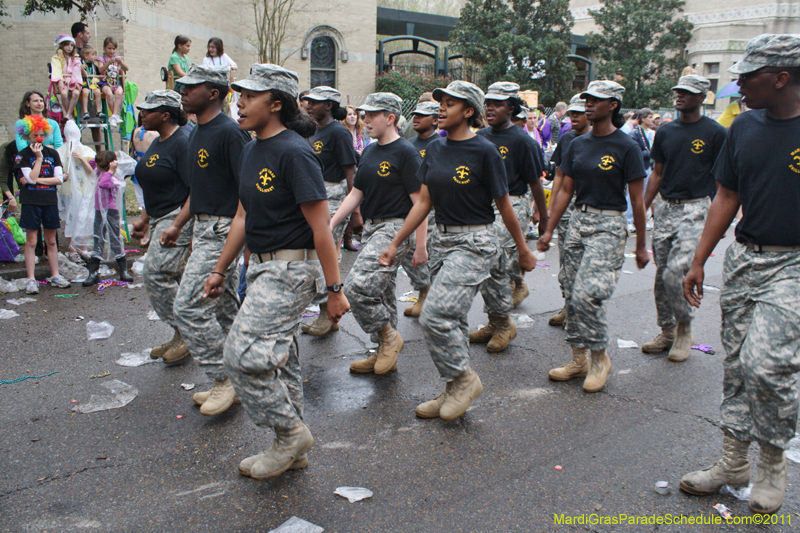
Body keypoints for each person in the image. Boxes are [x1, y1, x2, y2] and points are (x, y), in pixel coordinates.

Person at [202, 63, 349, 479]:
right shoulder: (251, 149)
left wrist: (335, 289)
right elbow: (242, 217)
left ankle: (289, 434)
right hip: (263, 268)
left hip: (292, 268)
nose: (240, 103)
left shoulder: (295, 151)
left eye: (250, 96)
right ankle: (292, 449)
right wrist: (220, 269)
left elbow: (322, 229)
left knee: (241, 355)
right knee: (279, 359)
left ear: (276, 103)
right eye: (240, 94)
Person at [680, 34, 800, 515]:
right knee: (736, 365)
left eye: (747, 76)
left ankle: (771, 464)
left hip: (795, 264)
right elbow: (726, 198)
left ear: (781, 78)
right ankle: (733, 462)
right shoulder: (745, 128)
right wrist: (699, 259)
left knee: (766, 364)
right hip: (747, 259)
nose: (739, 85)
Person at [378, 80, 537, 421]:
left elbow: (505, 206)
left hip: (475, 243)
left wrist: (523, 249)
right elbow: (423, 202)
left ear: (468, 112)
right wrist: (397, 243)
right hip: (442, 240)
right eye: (441, 102)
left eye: (450, 103)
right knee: (454, 319)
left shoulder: (485, 152)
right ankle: (452, 385)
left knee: (435, 315)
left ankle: (465, 380)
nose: (441, 108)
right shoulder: (435, 148)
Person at [537, 80, 648, 392]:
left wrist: (640, 245)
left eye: (596, 100)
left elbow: (637, 200)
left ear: (612, 105)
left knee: (589, 294)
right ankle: (578, 358)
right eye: (587, 98)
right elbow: (566, 190)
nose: (588, 104)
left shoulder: (626, 147)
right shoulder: (576, 143)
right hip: (578, 222)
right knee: (570, 291)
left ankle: (600, 357)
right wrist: (548, 230)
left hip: (609, 225)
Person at [171, 64, 251, 416]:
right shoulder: (195, 133)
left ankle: (224, 379)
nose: (183, 91)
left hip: (223, 231)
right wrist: (179, 227)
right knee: (225, 310)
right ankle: (246, 375)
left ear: (214, 93)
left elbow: (246, 194)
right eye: (182, 86)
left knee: (188, 307)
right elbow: (199, 190)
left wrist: (239, 243)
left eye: (192, 86)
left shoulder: (230, 133)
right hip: (204, 229)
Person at [329, 92, 425, 374]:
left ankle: (388, 338)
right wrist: (332, 223)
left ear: (390, 118)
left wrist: (421, 245)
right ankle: (384, 349)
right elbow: (356, 192)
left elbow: (420, 203)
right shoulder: (370, 150)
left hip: (396, 227)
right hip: (372, 227)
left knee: (358, 288)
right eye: (364, 115)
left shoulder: (406, 152)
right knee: (382, 291)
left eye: (372, 115)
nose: (365, 119)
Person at [640, 75, 726, 360]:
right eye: (678, 92)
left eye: (687, 93)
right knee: (662, 275)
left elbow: (721, 181)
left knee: (677, 271)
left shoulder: (716, 133)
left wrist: (719, 219)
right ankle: (667, 331)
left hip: (696, 208)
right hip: (665, 208)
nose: (680, 97)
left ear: (702, 98)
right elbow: (657, 172)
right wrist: (643, 207)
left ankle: (684, 328)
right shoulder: (665, 131)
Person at [468, 82, 548, 353]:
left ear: (511, 109)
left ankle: (503, 323)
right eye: (487, 103)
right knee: (485, 264)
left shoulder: (522, 140)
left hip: (512, 204)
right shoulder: (480, 137)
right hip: (483, 204)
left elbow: (535, 182)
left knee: (495, 262)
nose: (490, 108)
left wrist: (542, 215)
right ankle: (495, 320)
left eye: (497, 104)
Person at [130, 90, 194, 365]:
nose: (142, 114)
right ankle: (181, 334)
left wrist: (179, 225)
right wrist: (144, 219)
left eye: (148, 110)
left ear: (165, 114)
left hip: (176, 217)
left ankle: (187, 334)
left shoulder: (183, 142)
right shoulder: (159, 141)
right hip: (157, 218)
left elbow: (196, 189)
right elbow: (157, 185)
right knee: (173, 279)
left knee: (156, 274)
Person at [300, 86, 357, 337]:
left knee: (324, 258)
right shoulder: (311, 131)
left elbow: (350, 171)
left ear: (330, 106)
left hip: (334, 198)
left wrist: (354, 211)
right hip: (313, 196)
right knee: (313, 256)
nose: (309, 105)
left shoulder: (339, 133)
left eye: (315, 102)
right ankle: (326, 310)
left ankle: (328, 314)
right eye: (308, 101)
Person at [13, 115, 72, 294]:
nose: (38, 139)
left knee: (52, 240)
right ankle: (31, 279)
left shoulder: (53, 154)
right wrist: (38, 159)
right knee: (31, 241)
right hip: (31, 202)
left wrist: (35, 179)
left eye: (41, 135)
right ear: (27, 136)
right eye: (33, 135)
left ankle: (55, 275)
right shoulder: (21, 156)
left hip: (49, 202)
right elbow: (29, 179)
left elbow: (59, 179)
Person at [547, 94, 591, 328]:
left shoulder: (602, 140)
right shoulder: (567, 140)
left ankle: (582, 310)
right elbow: (560, 176)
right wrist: (551, 207)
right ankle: (568, 305)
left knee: (586, 262)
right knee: (567, 259)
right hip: (567, 204)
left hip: (589, 205)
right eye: (571, 113)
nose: (573, 117)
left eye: (579, 113)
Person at [400, 100, 440, 317]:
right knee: (409, 251)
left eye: (422, 115)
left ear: (435, 120)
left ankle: (428, 295)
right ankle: (424, 288)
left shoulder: (440, 144)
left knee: (428, 252)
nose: (416, 118)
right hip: (412, 206)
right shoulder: (409, 144)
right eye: (415, 114)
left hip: (435, 207)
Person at [72, 150, 133, 285]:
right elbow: (93, 162)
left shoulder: (112, 177)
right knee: (98, 238)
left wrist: (111, 170)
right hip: (99, 211)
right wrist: (105, 157)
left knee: (115, 238)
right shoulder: (100, 172)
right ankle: (93, 273)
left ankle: (123, 271)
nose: (96, 166)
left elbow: (103, 184)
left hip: (111, 211)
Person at [340, 105, 369, 251]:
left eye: (354, 114)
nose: (352, 117)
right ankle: (346, 237)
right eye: (349, 114)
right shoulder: (343, 133)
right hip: (348, 172)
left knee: (359, 203)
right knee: (349, 204)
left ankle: (350, 236)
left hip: (361, 168)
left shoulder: (362, 133)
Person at [130, 114, 159, 245]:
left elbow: (131, 152)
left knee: (143, 203)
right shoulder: (156, 133)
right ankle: (147, 234)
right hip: (152, 167)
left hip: (137, 167)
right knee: (150, 202)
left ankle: (145, 234)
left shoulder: (135, 131)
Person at [626, 108, 655, 231]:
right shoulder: (635, 133)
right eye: (649, 117)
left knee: (647, 194)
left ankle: (642, 219)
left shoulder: (651, 133)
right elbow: (634, 152)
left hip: (650, 167)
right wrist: (651, 153)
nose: (652, 120)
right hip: (639, 168)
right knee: (633, 195)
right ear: (642, 118)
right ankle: (628, 220)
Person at [97, 37, 128, 127]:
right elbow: (100, 69)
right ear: (104, 48)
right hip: (105, 82)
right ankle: (113, 116)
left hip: (115, 81)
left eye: (113, 49)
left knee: (119, 93)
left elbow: (127, 68)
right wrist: (108, 63)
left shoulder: (118, 58)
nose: (111, 51)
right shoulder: (101, 59)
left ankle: (114, 115)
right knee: (109, 94)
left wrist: (121, 63)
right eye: (109, 48)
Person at [51, 34, 83, 119]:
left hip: (73, 79)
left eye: (72, 45)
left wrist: (76, 81)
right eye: (67, 45)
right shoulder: (57, 57)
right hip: (63, 79)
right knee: (64, 94)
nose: (70, 47)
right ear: (62, 45)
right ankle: (69, 114)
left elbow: (77, 69)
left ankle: (68, 114)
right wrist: (60, 81)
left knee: (76, 93)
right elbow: (57, 69)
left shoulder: (75, 58)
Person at [79, 46, 103, 121]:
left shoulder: (94, 66)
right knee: (85, 92)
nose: (95, 56)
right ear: (85, 56)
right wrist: (81, 68)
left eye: (95, 55)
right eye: (92, 55)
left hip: (93, 84)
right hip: (85, 83)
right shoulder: (81, 64)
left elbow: (99, 74)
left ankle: (98, 111)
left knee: (98, 92)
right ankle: (85, 112)